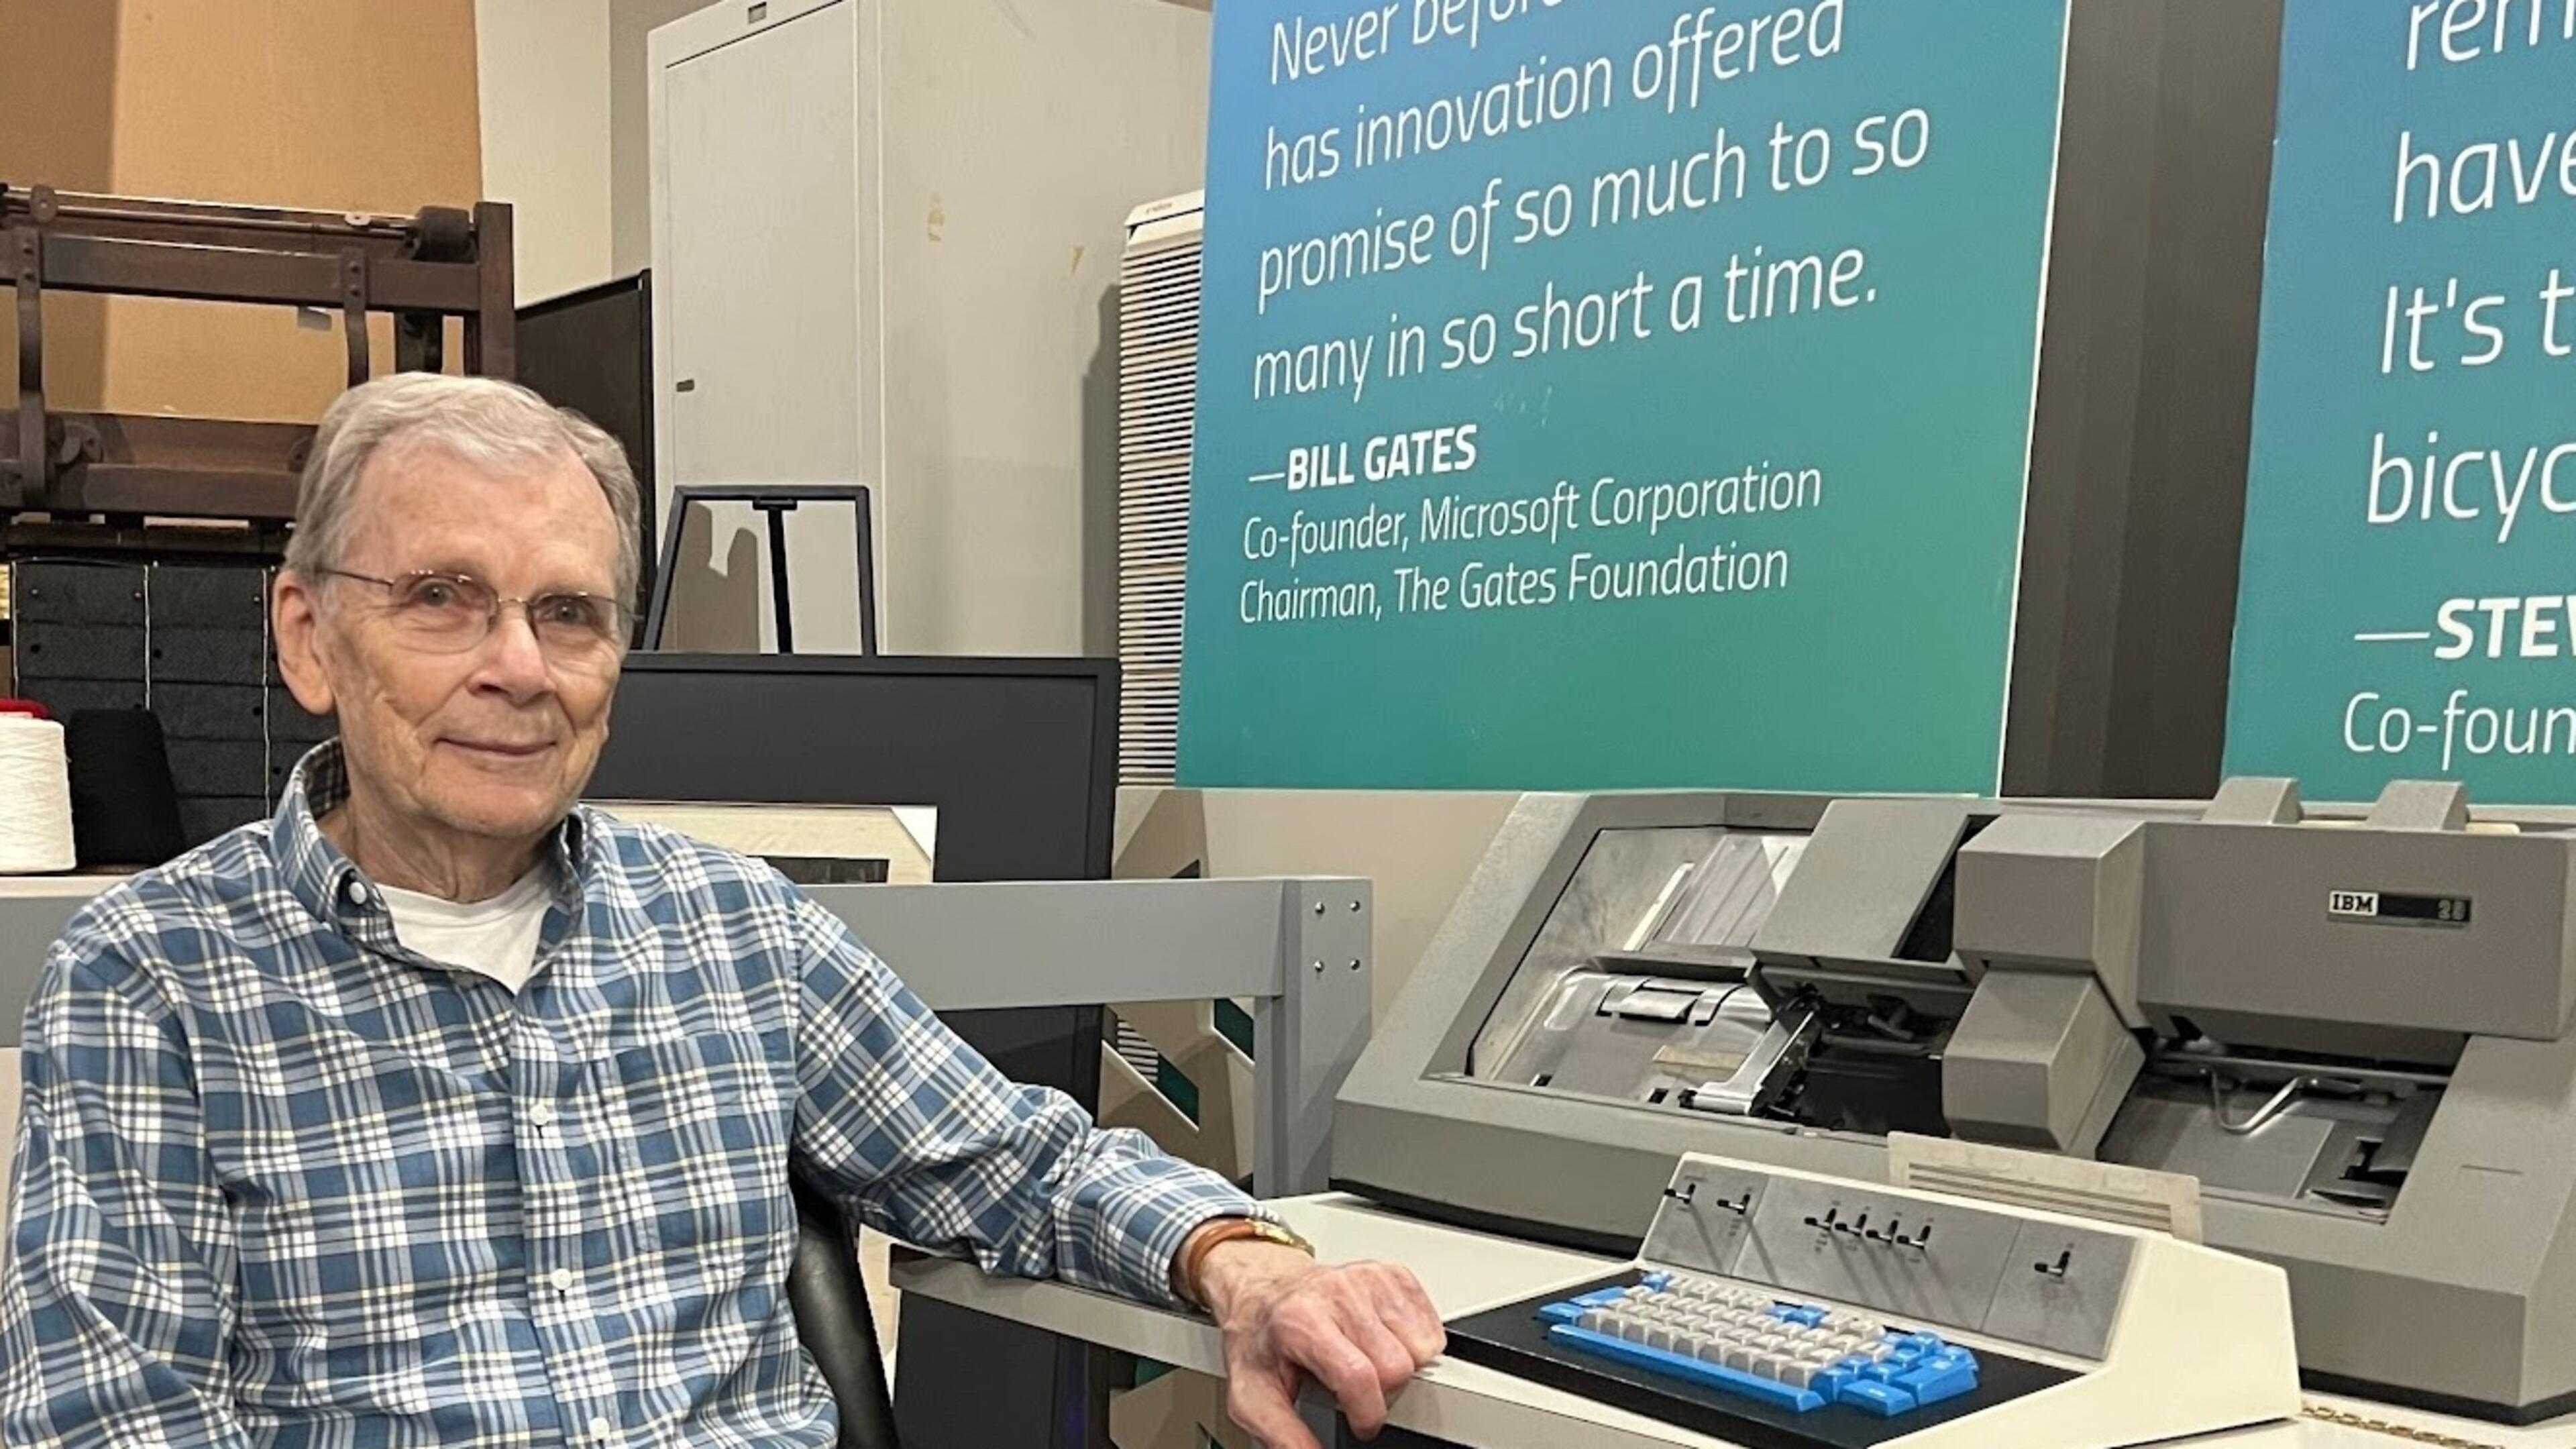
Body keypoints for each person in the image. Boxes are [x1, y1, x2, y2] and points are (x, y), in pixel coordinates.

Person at [0, 373, 1444, 1449]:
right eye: (443, 597)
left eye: (569, 613)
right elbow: (108, 1416)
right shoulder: (156, 978)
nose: (520, 667)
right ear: (311, 636)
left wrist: (1240, 1263)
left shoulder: (736, 932)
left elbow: (1019, 1162)